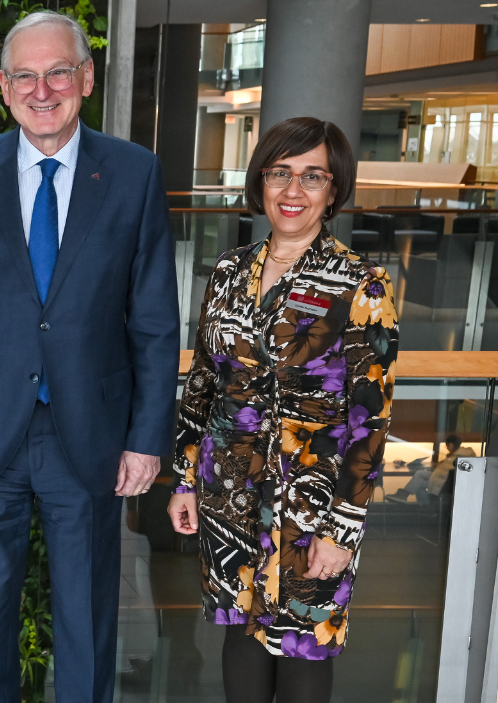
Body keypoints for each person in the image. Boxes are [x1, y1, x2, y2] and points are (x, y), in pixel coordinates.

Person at [0, 10, 180, 703]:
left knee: (87, 616)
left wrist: (146, 440)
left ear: (85, 78)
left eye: (57, 71)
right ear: (3, 87)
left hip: (88, 432)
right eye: (24, 76)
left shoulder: (133, 173)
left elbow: (153, 321)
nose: (42, 89)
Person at [167, 117, 399, 703]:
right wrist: (185, 479)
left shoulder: (361, 285)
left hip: (312, 507)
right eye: (280, 173)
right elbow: (203, 382)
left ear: (335, 190)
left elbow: (369, 418)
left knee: (302, 650)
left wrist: (342, 529)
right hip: (230, 495)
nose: (293, 191)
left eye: (312, 177)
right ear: (260, 181)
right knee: (241, 639)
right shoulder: (227, 272)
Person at [389, 434, 476, 503]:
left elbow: (442, 473)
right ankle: (426, 508)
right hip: (445, 482)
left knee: (419, 475)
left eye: (447, 446)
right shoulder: (461, 456)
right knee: (419, 482)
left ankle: (404, 496)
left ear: (451, 445)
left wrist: (435, 469)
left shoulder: (455, 457)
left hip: (443, 484)